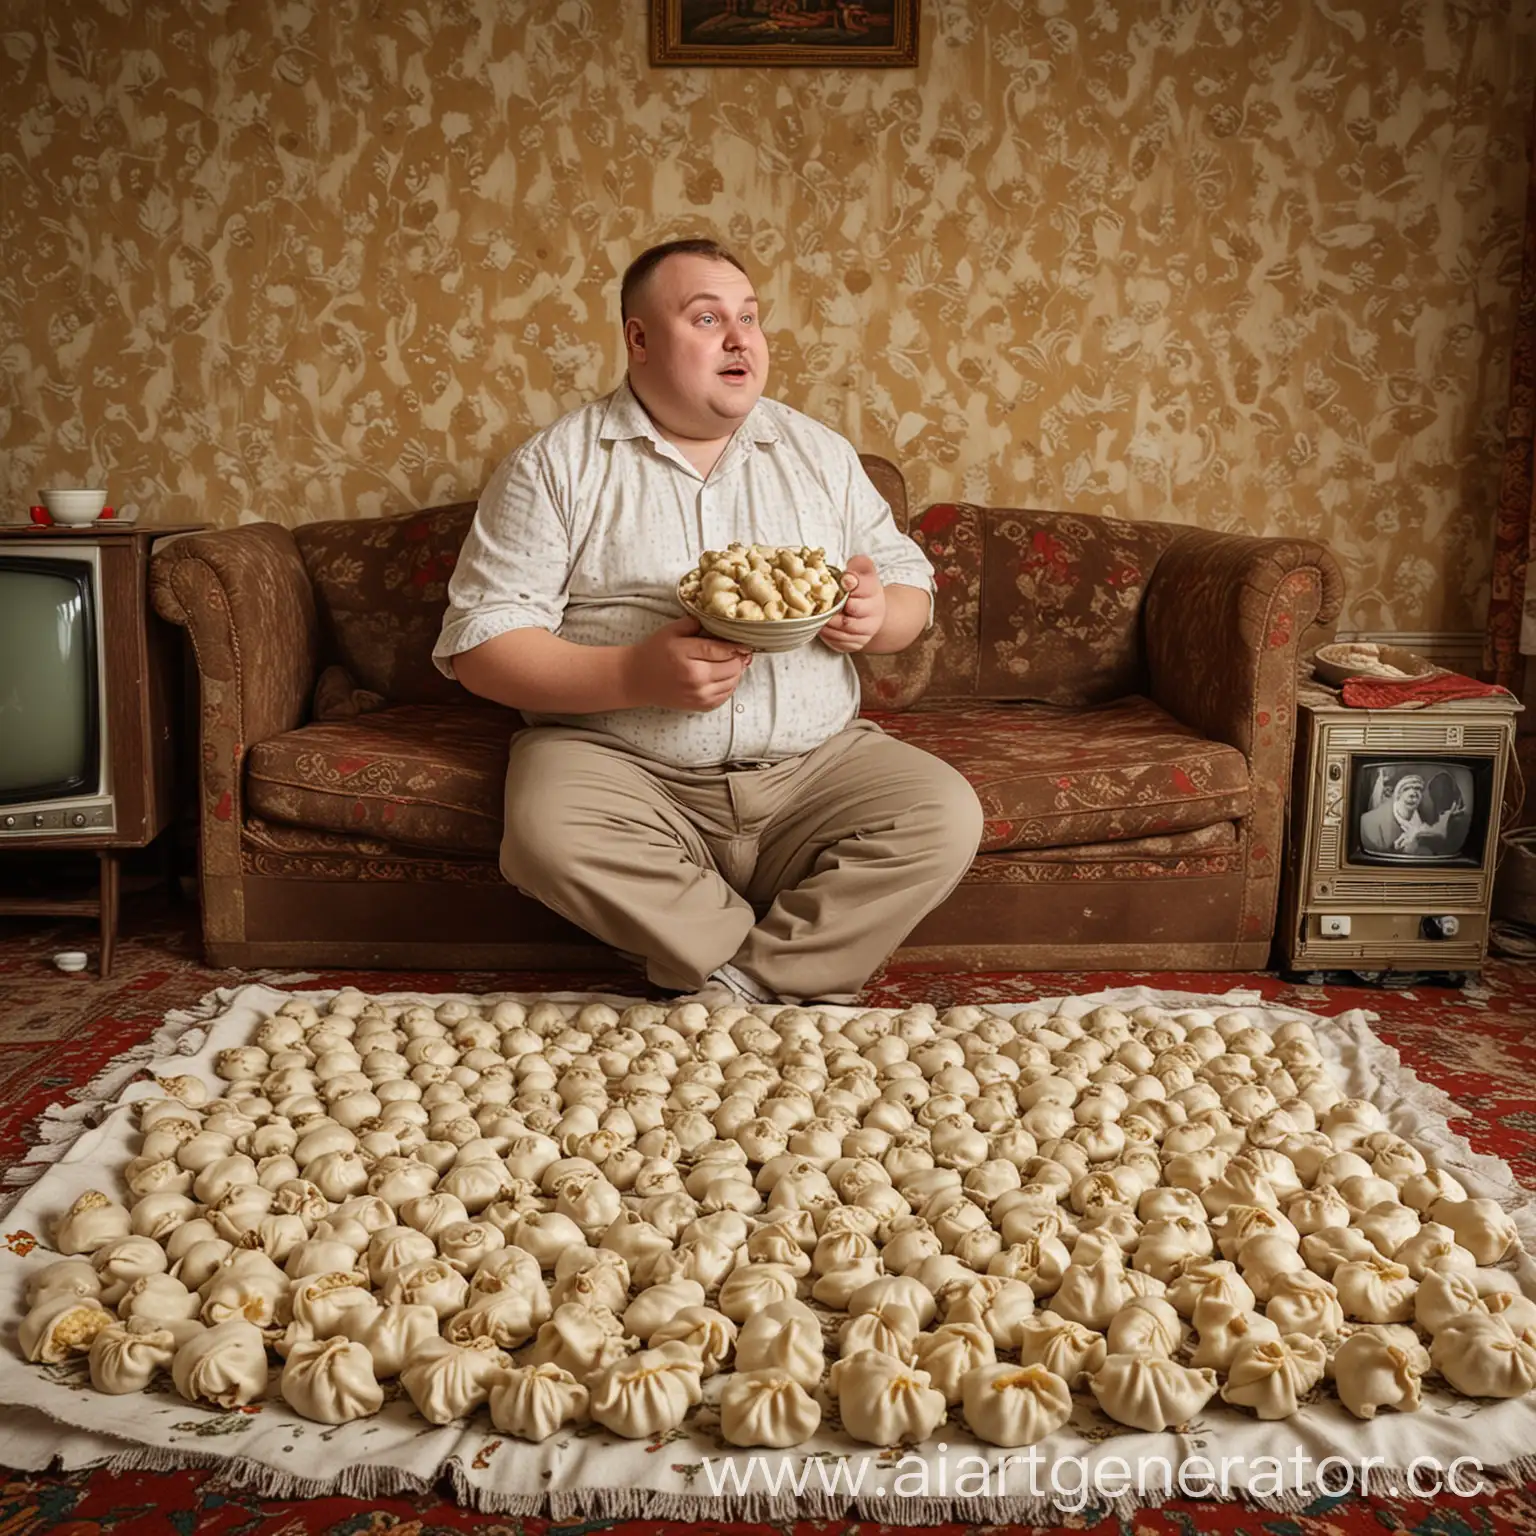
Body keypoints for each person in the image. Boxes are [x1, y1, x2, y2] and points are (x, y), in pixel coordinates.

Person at [432, 237, 984, 1005]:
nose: (740, 339)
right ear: (638, 339)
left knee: (943, 814)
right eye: (706, 318)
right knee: (546, 833)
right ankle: (778, 972)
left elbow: (907, 588)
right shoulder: (555, 465)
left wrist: (875, 612)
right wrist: (633, 674)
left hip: (814, 769)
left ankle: (739, 985)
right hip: (624, 769)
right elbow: (483, 646)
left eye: (750, 318)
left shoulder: (818, 453)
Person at [1359, 771, 1465, 856]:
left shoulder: (1427, 818)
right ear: (1396, 794)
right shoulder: (1369, 823)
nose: (1413, 793)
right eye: (1406, 788)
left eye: (1417, 788)